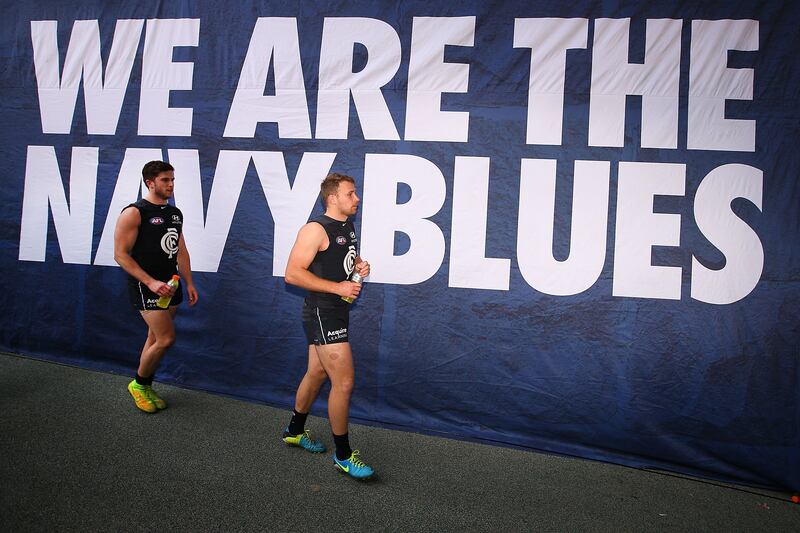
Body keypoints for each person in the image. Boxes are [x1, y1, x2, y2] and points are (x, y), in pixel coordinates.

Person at [282, 172, 374, 479]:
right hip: (324, 312)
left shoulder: (346, 225)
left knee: (317, 372)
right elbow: (293, 274)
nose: (356, 198)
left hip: (335, 310)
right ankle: (344, 456)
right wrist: (337, 288)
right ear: (332, 198)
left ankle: (294, 430)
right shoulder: (314, 229)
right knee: (344, 383)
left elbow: (341, 256)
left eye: (355, 193)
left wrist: (357, 264)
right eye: (350, 194)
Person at [113, 160, 199, 413]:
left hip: (171, 285)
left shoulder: (175, 213)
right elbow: (121, 255)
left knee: (154, 337)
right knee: (166, 338)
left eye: (172, 180)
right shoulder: (134, 212)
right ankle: (139, 384)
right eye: (165, 180)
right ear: (150, 182)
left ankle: (146, 384)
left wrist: (190, 281)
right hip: (147, 286)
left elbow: (180, 250)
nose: (171, 184)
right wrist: (150, 282)